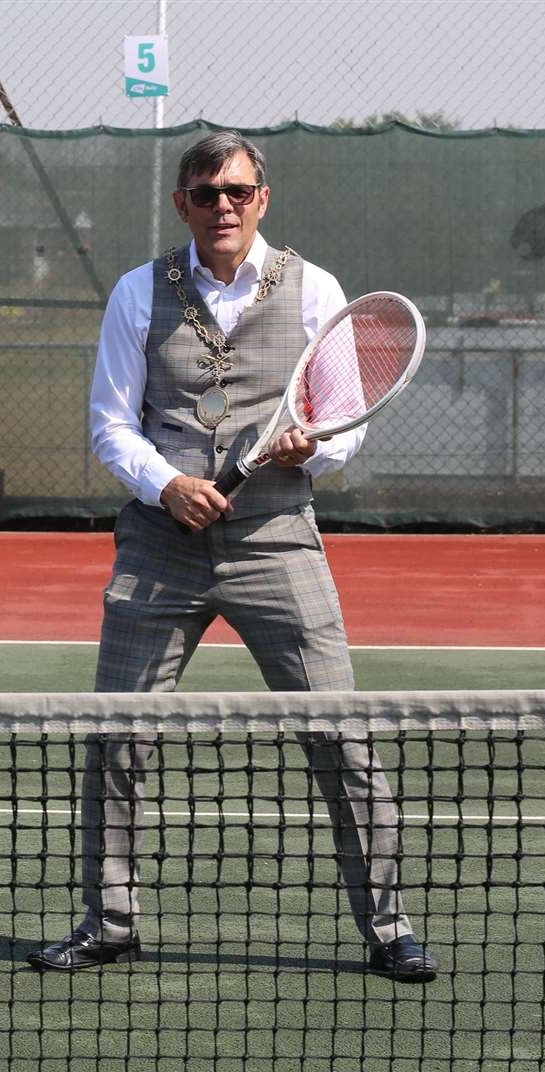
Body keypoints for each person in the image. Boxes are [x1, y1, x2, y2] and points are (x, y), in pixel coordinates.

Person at [27, 132, 438, 982]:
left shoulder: (316, 289)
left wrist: (307, 454)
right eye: (207, 191)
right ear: (181, 203)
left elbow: (342, 425)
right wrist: (164, 483)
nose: (224, 205)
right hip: (158, 550)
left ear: (263, 198)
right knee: (116, 740)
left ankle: (389, 927)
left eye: (239, 191)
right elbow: (110, 423)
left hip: (276, 542)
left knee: (339, 734)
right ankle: (108, 922)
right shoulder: (138, 293)